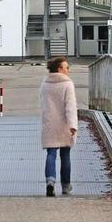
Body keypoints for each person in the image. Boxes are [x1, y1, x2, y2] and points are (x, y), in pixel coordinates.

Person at [40, 56, 78, 197]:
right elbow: (71, 107)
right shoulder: (67, 84)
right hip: (64, 125)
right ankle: (66, 186)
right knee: (65, 155)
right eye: (66, 68)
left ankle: (50, 181)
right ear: (60, 69)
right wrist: (72, 125)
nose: (68, 70)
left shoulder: (45, 84)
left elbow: (43, 104)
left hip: (50, 123)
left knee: (51, 153)